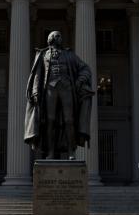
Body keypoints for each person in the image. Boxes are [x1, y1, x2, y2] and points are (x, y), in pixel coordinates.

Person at [24, 31, 94, 159]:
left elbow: (85, 68)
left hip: (66, 88)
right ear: (49, 39)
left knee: (69, 120)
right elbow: (38, 75)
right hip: (50, 89)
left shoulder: (69, 55)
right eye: (56, 35)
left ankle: (71, 151)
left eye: (60, 36)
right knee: (50, 121)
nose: (59, 37)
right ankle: (50, 152)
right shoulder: (43, 55)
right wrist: (35, 91)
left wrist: (79, 81)